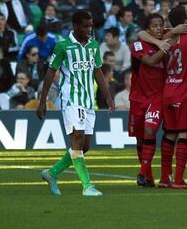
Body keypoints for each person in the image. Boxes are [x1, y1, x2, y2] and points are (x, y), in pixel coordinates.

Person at [38, 10, 114, 197]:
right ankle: (87, 186)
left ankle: (52, 173)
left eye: (91, 26)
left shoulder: (93, 46)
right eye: (85, 26)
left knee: (84, 146)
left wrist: (108, 97)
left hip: (88, 101)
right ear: (75, 26)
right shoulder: (62, 47)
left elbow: (98, 72)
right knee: (77, 137)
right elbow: (49, 73)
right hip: (71, 99)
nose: (89, 30)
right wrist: (42, 101)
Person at [159, 5, 187, 189]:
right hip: (184, 92)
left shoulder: (164, 38)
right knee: (183, 134)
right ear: (184, 20)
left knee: (169, 134)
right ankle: (179, 179)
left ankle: (164, 178)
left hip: (168, 90)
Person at [129, 13, 170, 187]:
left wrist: (166, 40)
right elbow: (150, 61)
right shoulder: (138, 44)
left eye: (161, 25)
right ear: (148, 29)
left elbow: (174, 31)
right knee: (140, 138)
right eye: (154, 25)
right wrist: (164, 47)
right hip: (138, 97)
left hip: (157, 96)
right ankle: (149, 177)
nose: (159, 28)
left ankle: (142, 172)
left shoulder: (165, 38)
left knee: (150, 130)